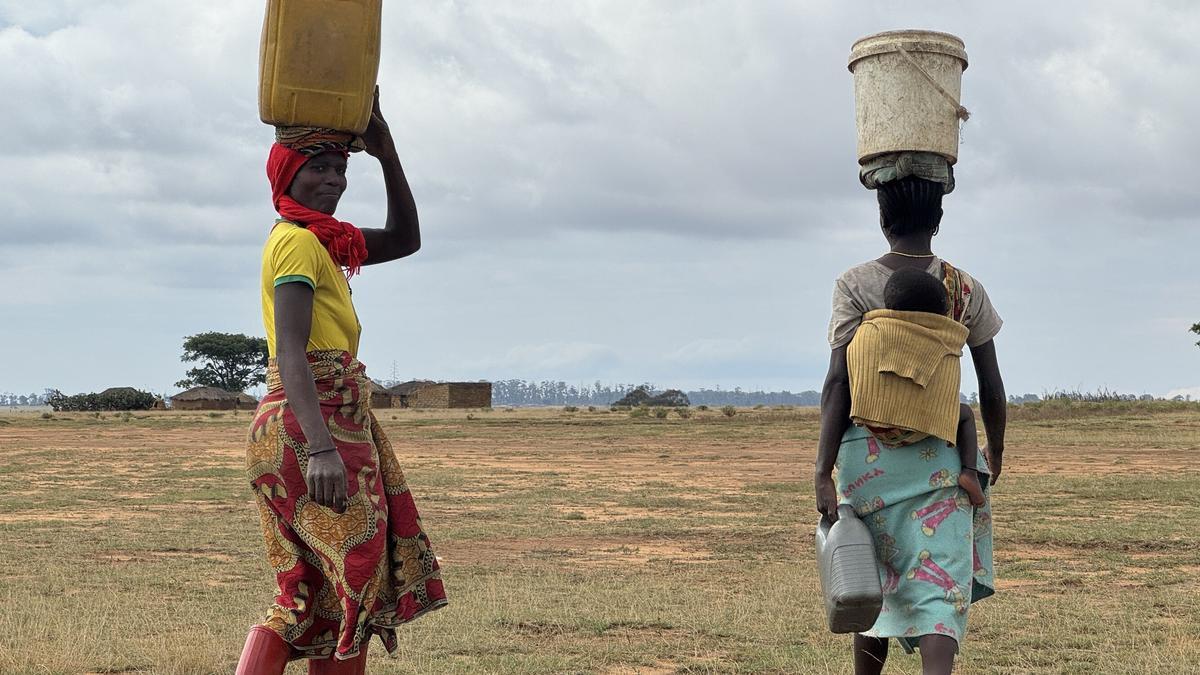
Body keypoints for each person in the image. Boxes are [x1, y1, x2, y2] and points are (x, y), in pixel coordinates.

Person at [236, 90, 447, 674]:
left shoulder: (323, 242)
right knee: (351, 587)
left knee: (313, 597)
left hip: (292, 426)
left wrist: (386, 152)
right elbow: (291, 350)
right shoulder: (301, 243)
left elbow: (407, 239)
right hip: (315, 426)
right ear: (286, 175)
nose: (332, 180)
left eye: (339, 169)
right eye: (317, 168)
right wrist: (323, 448)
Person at [814, 176, 1006, 675]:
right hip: (941, 452)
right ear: (938, 220)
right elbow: (990, 381)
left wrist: (822, 470)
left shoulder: (854, 284)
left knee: (869, 574)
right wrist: (993, 453)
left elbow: (838, 382)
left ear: (882, 219)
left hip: (865, 456)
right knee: (939, 585)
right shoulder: (964, 288)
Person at [851, 267, 985, 506]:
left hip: (872, 424)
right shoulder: (943, 341)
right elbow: (945, 391)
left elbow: (852, 373)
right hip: (919, 430)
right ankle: (969, 473)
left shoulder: (867, 332)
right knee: (964, 414)